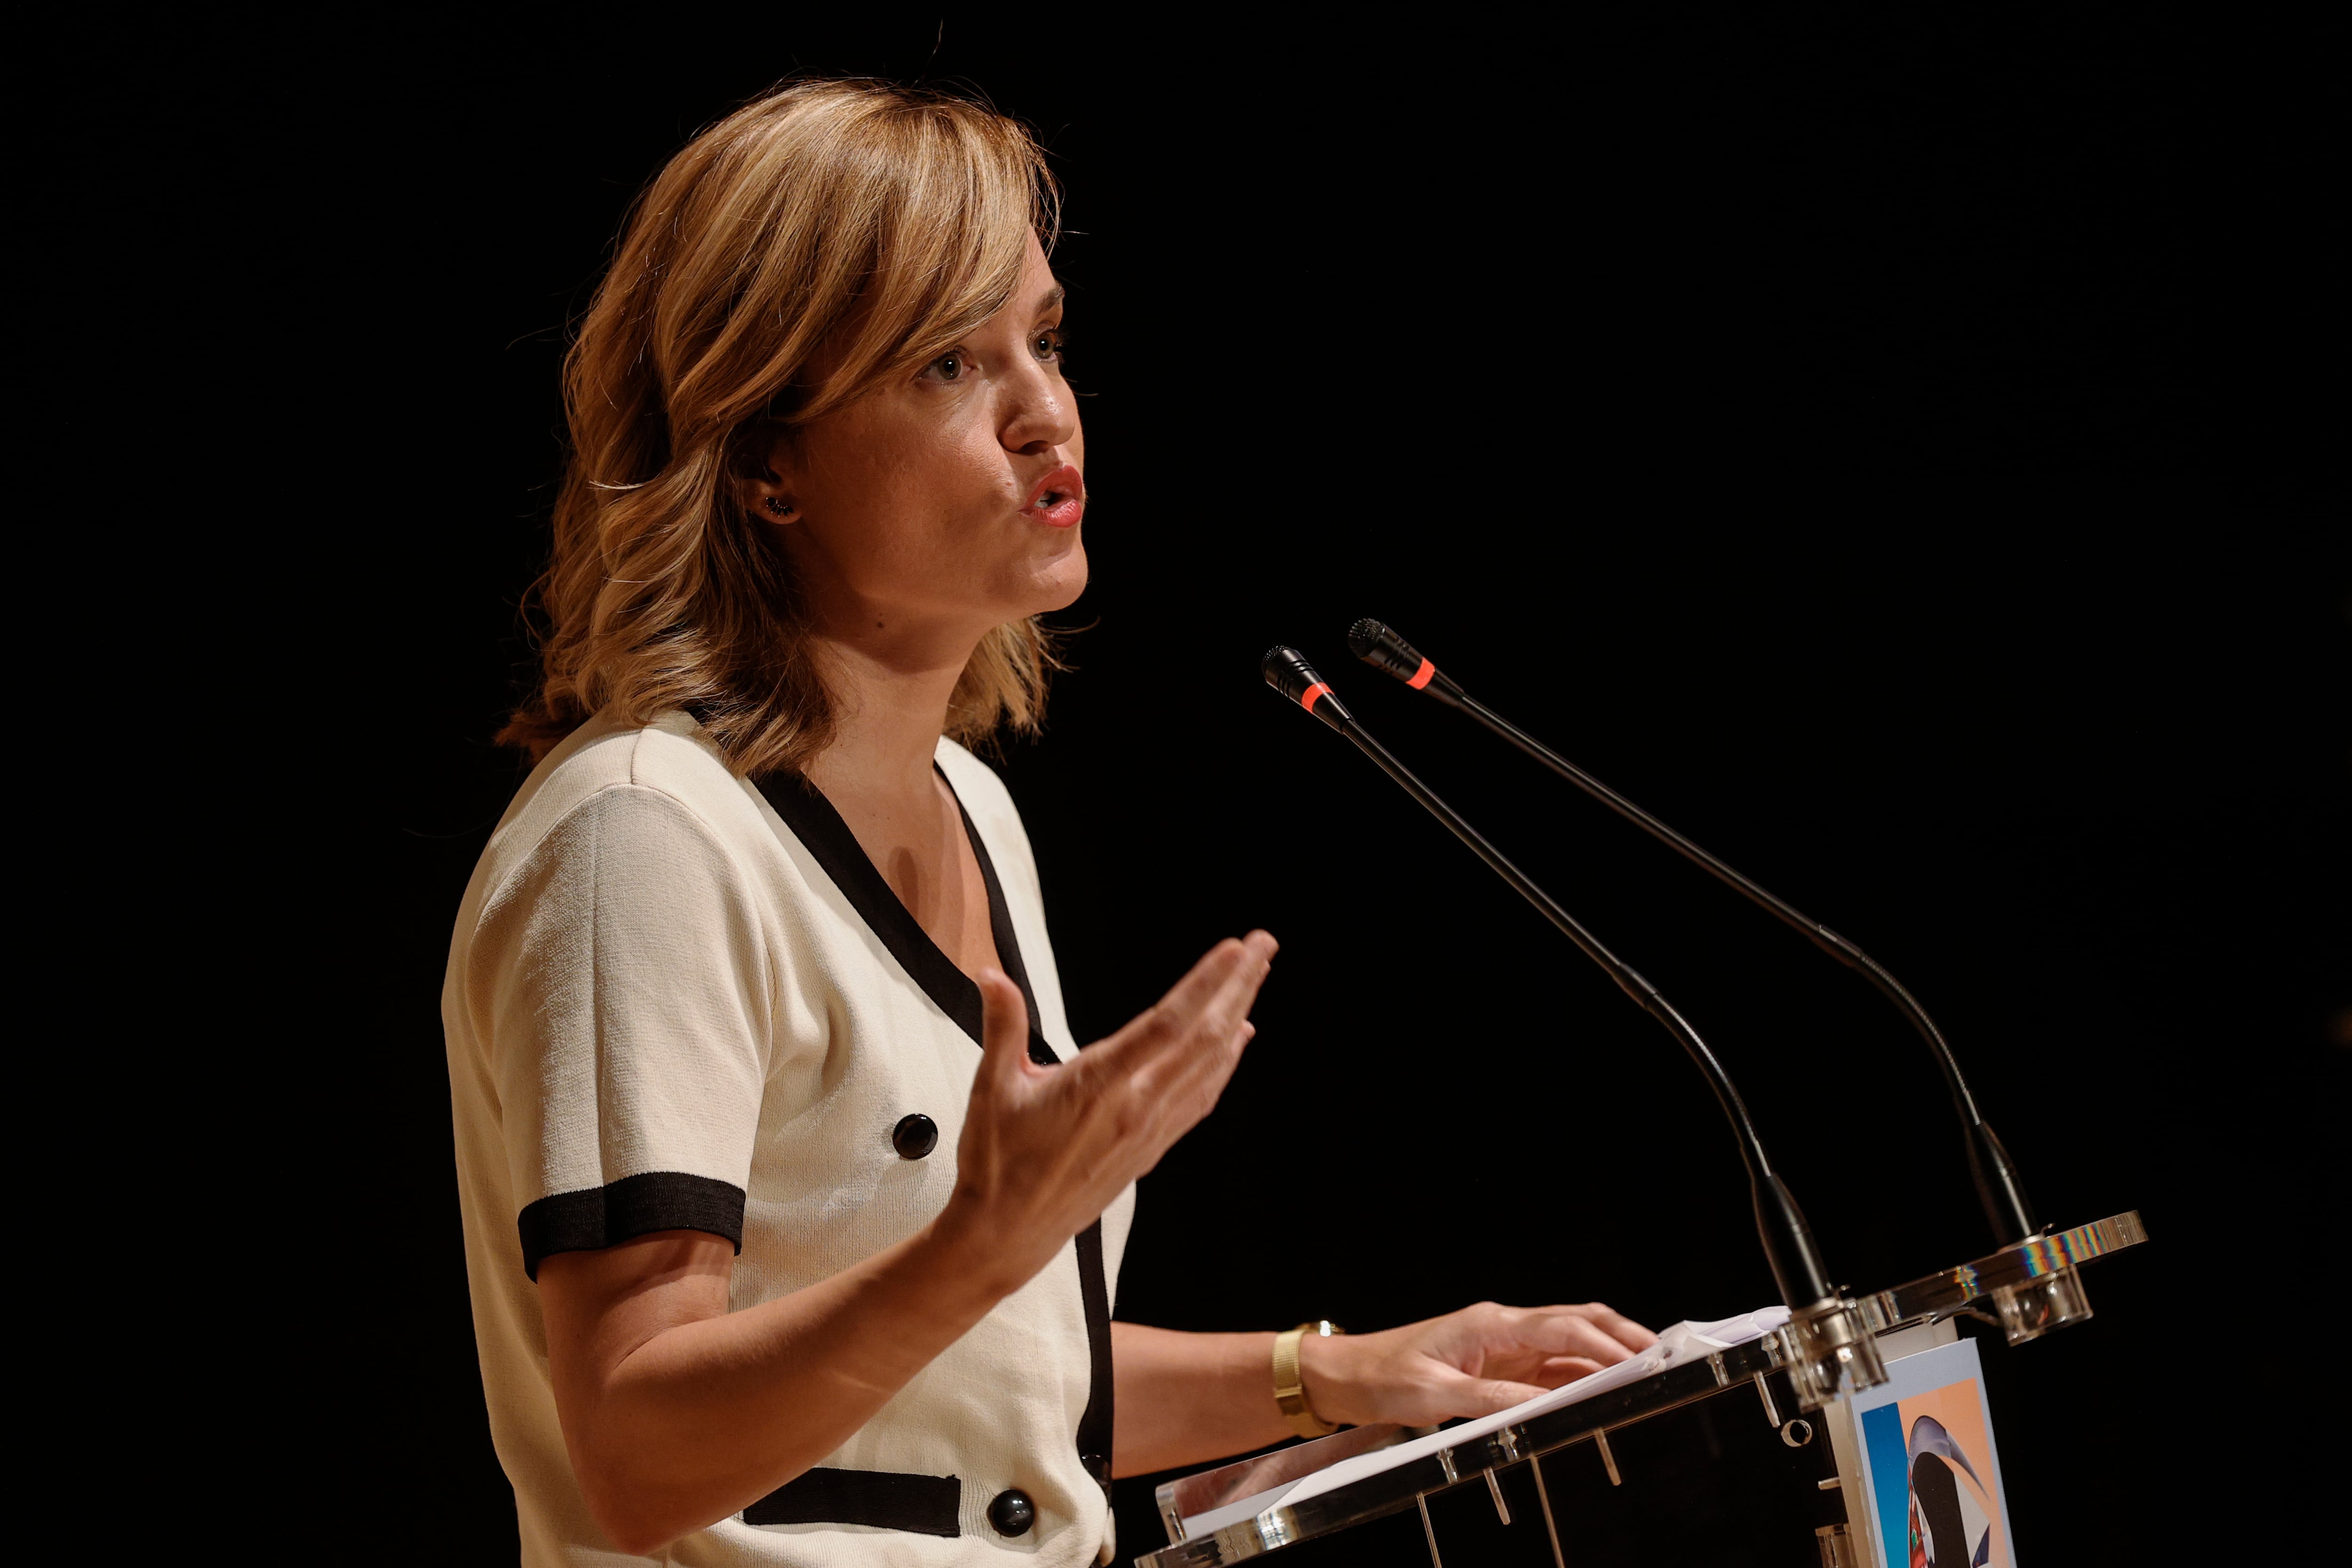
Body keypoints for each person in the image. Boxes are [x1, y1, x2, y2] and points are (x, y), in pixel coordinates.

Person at [444, 77, 1657, 1567]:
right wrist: (982, 1241)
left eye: (1046, 338)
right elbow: (635, 1452)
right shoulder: (646, 838)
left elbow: (970, 1403)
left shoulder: (976, 812)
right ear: (766, 459)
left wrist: (1337, 1371)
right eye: (950, 363)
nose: (1045, 412)